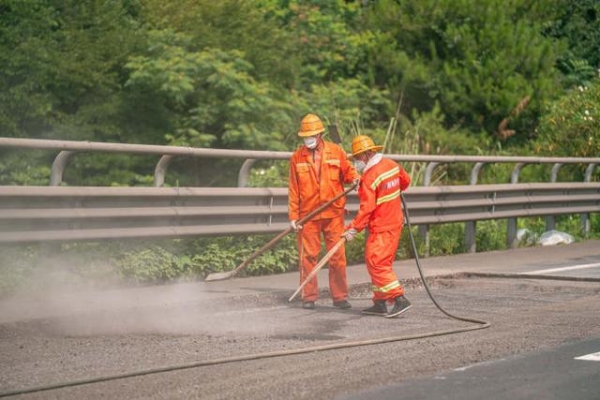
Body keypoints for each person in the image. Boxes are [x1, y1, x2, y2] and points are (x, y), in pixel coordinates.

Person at [288, 113, 359, 310]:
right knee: (308, 257)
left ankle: (339, 297)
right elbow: (293, 189)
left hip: (334, 214)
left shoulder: (336, 152)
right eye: (305, 136)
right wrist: (294, 216)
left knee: (337, 257)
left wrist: (355, 179)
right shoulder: (297, 158)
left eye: (311, 135)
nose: (308, 139)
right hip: (307, 216)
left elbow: (349, 173)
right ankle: (309, 297)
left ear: (320, 134)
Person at [342, 135, 412, 318]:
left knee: (376, 262)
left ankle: (399, 298)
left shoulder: (370, 176)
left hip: (382, 226)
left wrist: (353, 229)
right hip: (395, 222)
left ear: (366, 155)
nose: (356, 162)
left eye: (357, 158)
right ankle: (380, 302)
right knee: (382, 263)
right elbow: (406, 181)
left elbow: (367, 209)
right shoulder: (391, 164)